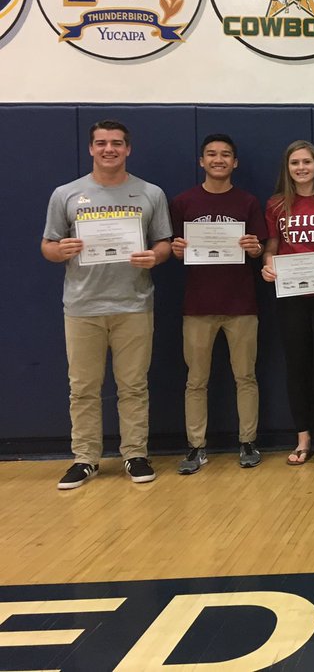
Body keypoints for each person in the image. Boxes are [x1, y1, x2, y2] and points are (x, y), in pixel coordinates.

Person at [41, 120, 172, 489]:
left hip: (134, 304)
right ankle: (85, 458)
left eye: (116, 143)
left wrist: (155, 256)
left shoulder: (150, 193)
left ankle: (135, 454)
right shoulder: (66, 194)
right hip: (82, 306)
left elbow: (164, 242)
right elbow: (48, 245)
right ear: (91, 148)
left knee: (133, 385)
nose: (109, 149)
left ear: (128, 149)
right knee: (83, 388)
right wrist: (59, 250)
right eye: (101, 143)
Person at [169, 134, 268, 474]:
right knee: (196, 380)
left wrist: (254, 248)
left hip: (242, 304)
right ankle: (196, 446)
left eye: (226, 154)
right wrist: (177, 250)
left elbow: (259, 249)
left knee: (246, 377)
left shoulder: (248, 202)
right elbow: (174, 248)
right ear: (201, 161)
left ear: (235, 162)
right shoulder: (183, 202)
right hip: (198, 306)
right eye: (211, 154)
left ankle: (248, 441)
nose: (218, 159)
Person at [261, 140, 314, 465]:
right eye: (295, 163)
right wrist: (267, 265)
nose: (301, 168)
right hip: (291, 296)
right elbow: (271, 247)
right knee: (297, 366)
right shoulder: (276, 204)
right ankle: (303, 437)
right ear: (287, 168)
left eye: (306, 162)